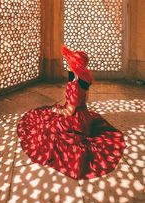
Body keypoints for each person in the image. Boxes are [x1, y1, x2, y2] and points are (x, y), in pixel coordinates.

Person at [17, 45, 126, 180]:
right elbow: (85, 99)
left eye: (71, 63)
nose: (69, 64)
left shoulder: (74, 87)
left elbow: (69, 112)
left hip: (75, 122)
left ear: (74, 65)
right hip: (85, 117)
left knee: (46, 127)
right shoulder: (85, 79)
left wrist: (55, 110)